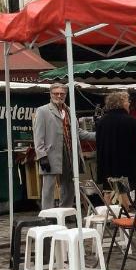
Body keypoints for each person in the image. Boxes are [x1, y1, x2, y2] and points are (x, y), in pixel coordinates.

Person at [33, 82, 96, 211]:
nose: (59, 96)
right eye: (56, 93)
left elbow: (78, 132)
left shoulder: (69, 110)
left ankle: (65, 211)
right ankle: (47, 214)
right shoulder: (43, 110)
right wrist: (41, 155)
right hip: (51, 153)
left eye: (62, 93)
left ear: (66, 95)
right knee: (49, 186)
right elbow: (38, 135)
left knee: (69, 184)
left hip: (69, 150)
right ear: (51, 94)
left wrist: (98, 134)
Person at [96, 90, 136, 192]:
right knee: (124, 192)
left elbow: (98, 142)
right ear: (121, 103)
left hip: (107, 163)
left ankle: (108, 208)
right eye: (127, 101)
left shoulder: (101, 121)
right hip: (126, 163)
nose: (129, 103)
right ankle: (125, 208)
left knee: (108, 190)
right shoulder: (131, 121)